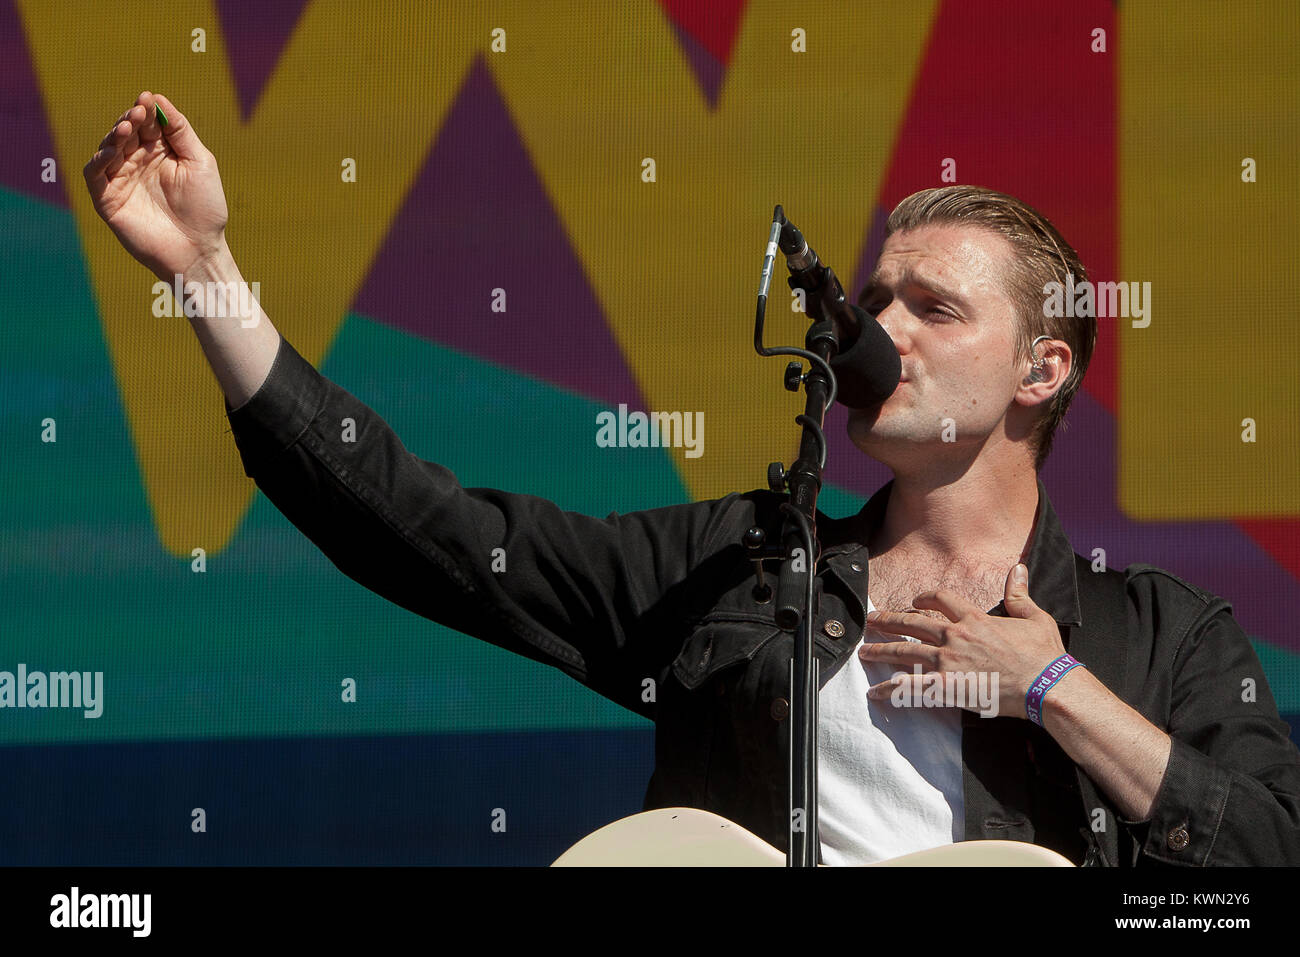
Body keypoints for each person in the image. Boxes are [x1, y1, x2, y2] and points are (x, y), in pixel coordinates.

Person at [86, 91, 1300, 866]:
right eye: (875, 303)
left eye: (933, 308)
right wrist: (205, 270)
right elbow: (431, 532)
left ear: (1042, 369)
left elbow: (1265, 858)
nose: (883, 333)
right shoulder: (741, 569)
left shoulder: (1160, 636)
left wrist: (1050, 687)